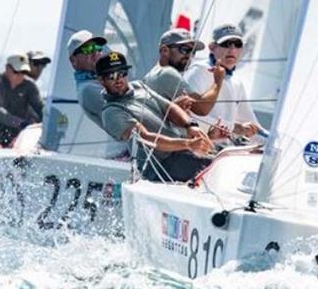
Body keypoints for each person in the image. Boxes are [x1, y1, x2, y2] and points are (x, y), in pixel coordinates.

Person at [96, 51, 213, 182]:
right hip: (160, 167)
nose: (118, 79)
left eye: (122, 73)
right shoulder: (111, 112)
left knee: (227, 159)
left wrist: (191, 126)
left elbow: (169, 107)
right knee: (216, 168)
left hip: (182, 152)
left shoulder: (138, 86)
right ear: (101, 80)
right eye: (111, 76)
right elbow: (145, 138)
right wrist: (188, 144)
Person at [184, 23, 264, 138]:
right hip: (197, 146)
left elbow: (253, 125)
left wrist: (274, 143)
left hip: (222, 150)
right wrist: (234, 128)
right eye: (226, 44)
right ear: (212, 47)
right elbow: (186, 113)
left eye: (237, 44)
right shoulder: (199, 70)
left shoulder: (237, 82)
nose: (232, 49)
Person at [143, 28, 225, 115]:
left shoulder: (149, 76)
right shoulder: (167, 73)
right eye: (185, 50)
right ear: (164, 50)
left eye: (193, 52)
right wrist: (217, 82)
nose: (189, 56)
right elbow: (202, 108)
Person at [0, 53, 43, 147]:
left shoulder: (30, 86)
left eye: (23, 72)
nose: (20, 75)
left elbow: (41, 108)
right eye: (17, 71)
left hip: (16, 136)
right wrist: (21, 123)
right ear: (7, 68)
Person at [66, 29, 109, 129]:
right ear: (73, 60)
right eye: (88, 49)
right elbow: (125, 110)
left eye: (98, 48)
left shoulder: (100, 79)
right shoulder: (87, 89)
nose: (96, 53)